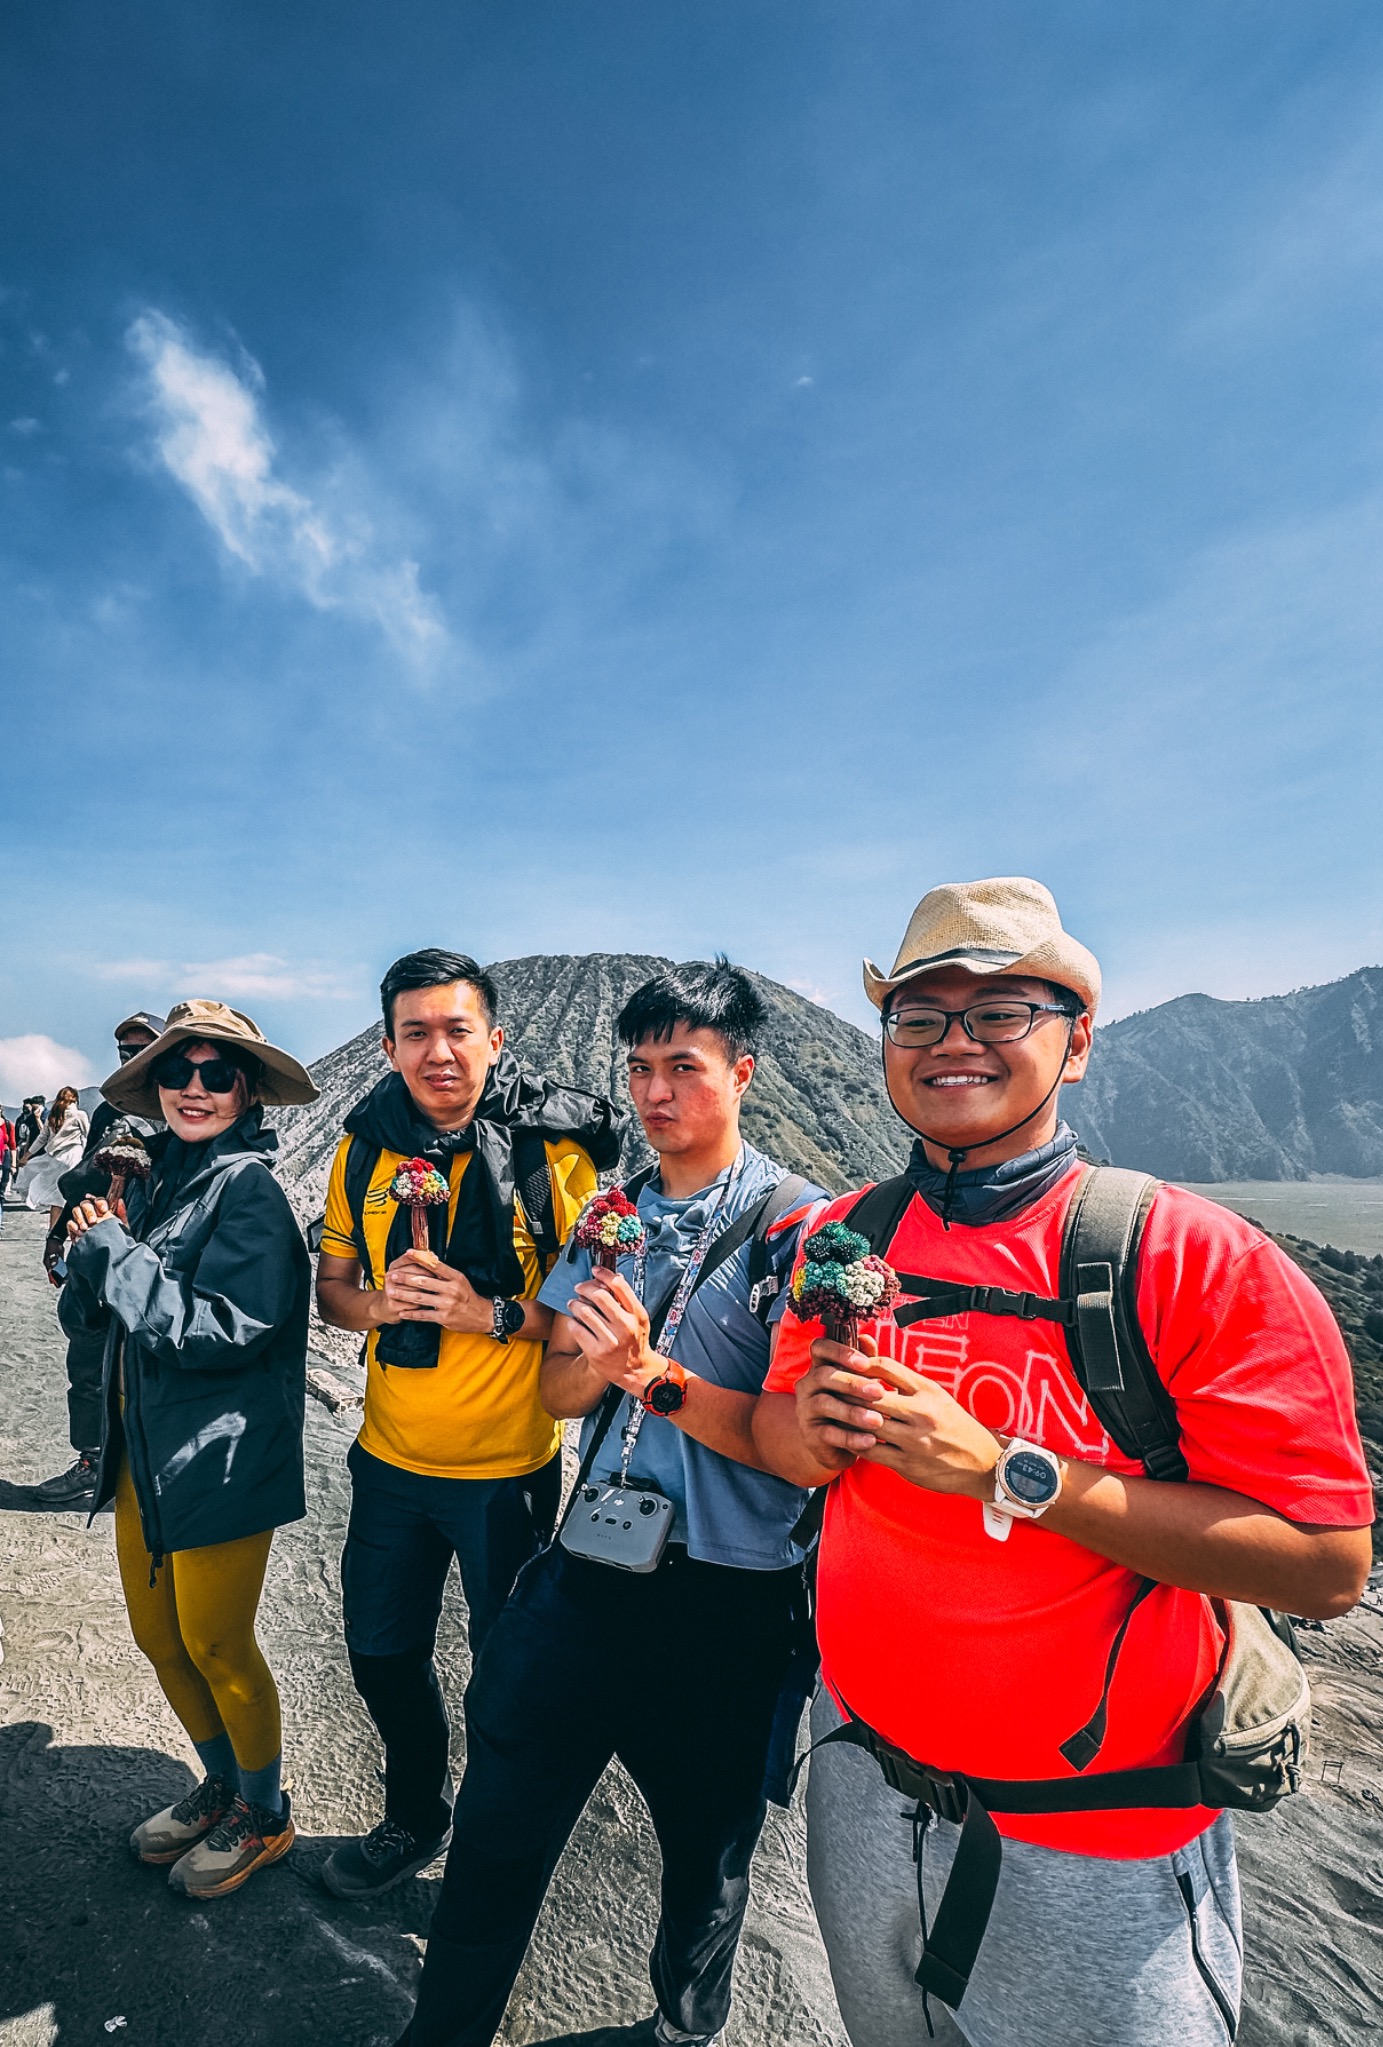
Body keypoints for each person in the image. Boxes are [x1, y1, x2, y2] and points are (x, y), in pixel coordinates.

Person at [753, 878, 1375, 2047]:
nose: (953, 1041)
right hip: (863, 1786)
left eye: (1000, 1012)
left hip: (1098, 1840)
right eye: (919, 1015)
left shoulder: (1193, 1258)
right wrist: (806, 1430)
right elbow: (784, 1447)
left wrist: (1007, 1470)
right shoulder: (843, 1239)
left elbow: (1325, 1564)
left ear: (1077, 1041)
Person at [398, 959, 829, 2047]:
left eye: (683, 1066)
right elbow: (556, 1393)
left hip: (727, 1598)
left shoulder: (797, 1229)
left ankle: (684, 2028)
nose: (654, 1092)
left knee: (706, 1852)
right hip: (585, 1573)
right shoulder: (613, 1213)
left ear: (742, 1072)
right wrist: (596, 1359)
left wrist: (651, 1372)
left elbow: (802, 1451)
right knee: (496, 1824)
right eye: (639, 1068)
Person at [315, 948, 623, 1899]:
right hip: (390, 1461)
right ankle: (417, 1812)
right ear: (388, 1047)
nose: (437, 1051)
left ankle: (492, 1838)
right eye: (415, 1032)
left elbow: (585, 1318)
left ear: (495, 1038)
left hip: (507, 1472)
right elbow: (332, 1290)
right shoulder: (362, 1151)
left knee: (505, 1671)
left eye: (457, 1029)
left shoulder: (554, 1159)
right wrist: (379, 1306)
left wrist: (485, 1312)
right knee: (381, 1653)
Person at [58, 998, 318, 1900]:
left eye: (216, 1072)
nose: (193, 1087)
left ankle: (265, 1812)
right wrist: (89, 1251)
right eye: (176, 1070)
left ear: (248, 1092)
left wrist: (116, 1252)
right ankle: (223, 1784)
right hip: (146, 1454)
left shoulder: (250, 1192)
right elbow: (100, 1316)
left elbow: (219, 1330)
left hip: (218, 1458)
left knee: (216, 1642)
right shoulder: (159, 1181)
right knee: (158, 1636)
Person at [32, 1010, 167, 1507]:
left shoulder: (181, 1111)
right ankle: (92, 1460)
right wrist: (57, 1238)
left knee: (148, 1362)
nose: (132, 1059)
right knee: (88, 1356)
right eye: (125, 1052)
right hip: (95, 1250)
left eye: (143, 1049)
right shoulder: (111, 1110)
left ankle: (146, 1470)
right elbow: (84, 1179)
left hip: (152, 1258)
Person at [16, 1088, 90, 1226]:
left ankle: (53, 1229)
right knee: (73, 1195)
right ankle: (77, 1227)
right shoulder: (79, 1115)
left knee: (57, 1198)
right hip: (74, 1157)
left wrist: (27, 1156)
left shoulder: (53, 1116)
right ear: (74, 1100)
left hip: (55, 1159)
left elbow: (42, 1139)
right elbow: (88, 1135)